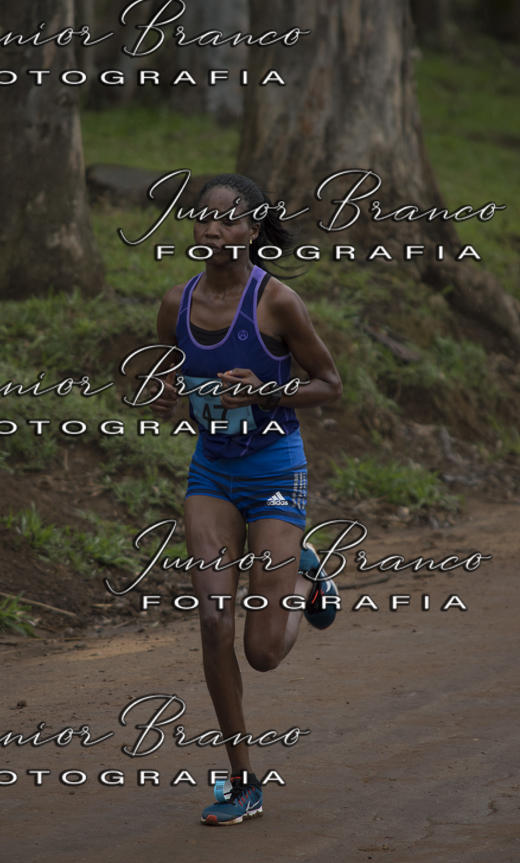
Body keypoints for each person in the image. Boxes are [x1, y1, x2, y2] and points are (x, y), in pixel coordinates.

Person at [150, 173, 342, 825]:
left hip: (274, 469)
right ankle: (241, 781)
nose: (214, 229)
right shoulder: (175, 303)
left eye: (230, 220)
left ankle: (308, 578)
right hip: (211, 474)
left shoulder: (278, 302)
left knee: (261, 652)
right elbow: (169, 379)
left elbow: (329, 384)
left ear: (253, 230)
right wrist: (168, 396)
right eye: (204, 219)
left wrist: (263, 391)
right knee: (211, 620)